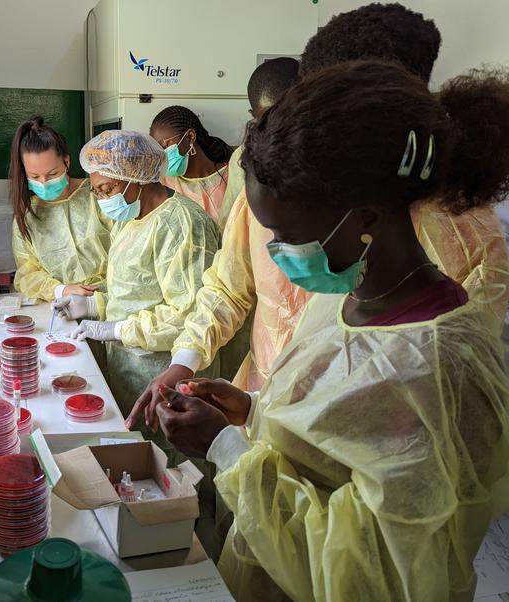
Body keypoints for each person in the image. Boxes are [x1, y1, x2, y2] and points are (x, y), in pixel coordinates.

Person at [150, 61, 509, 602]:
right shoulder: (343, 296)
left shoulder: (437, 365)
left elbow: (373, 575)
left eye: (288, 235)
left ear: (364, 216)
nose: (277, 252)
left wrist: (225, 449)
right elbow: (333, 437)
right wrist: (252, 411)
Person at [128, 2, 509, 431]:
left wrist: (240, 438)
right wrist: (197, 368)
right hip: (273, 404)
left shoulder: (458, 246)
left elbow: (415, 417)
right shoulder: (284, 187)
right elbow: (230, 287)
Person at [51, 130, 220, 418]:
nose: (102, 199)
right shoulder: (132, 217)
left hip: (167, 373)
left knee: (171, 458)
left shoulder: (183, 225)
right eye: (96, 191)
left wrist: (117, 329)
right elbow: (133, 287)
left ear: (137, 178)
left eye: (107, 189)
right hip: (129, 367)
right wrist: (92, 303)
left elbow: (190, 315)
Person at [9, 117, 112, 302]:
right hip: (64, 304)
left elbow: (128, 248)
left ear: (66, 162)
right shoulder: (27, 217)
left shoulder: (98, 194)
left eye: (52, 174)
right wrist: (62, 290)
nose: (44, 182)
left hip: (114, 297)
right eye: (34, 176)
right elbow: (27, 274)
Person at [219, 57, 300, 228]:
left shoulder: (325, 148)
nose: (278, 126)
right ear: (253, 115)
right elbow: (229, 222)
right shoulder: (242, 158)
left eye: (286, 114)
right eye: (267, 118)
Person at [149, 106, 234, 225]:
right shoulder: (163, 184)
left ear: (190, 137)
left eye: (165, 146)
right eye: (157, 150)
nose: (161, 156)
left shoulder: (232, 178)